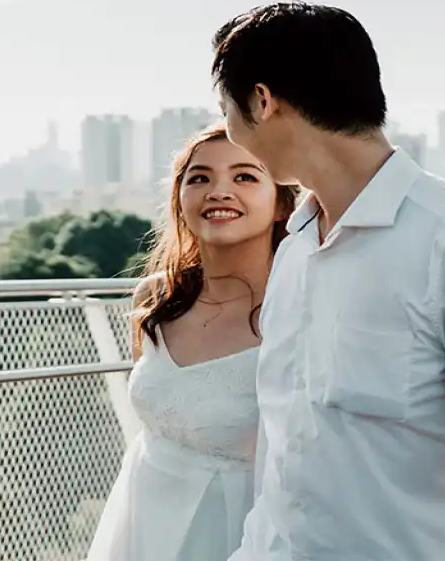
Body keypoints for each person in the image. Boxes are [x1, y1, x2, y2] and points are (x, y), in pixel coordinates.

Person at [214, 2, 445, 560]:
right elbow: (282, 454)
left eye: (226, 110)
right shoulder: (295, 249)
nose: (228, 131)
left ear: (262, 101)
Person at [87, 125, 298, 561]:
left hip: (238, 535)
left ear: (281, 203)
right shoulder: (156, 298)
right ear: (179, 198)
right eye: (199, 177)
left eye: (245, 176)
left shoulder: (299, 311)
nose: (219, 191)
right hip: (140, 525)